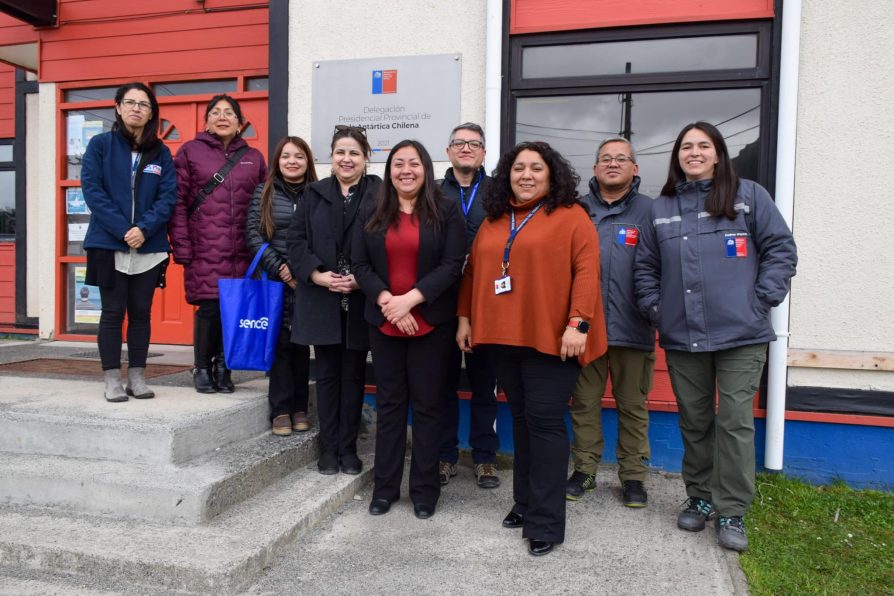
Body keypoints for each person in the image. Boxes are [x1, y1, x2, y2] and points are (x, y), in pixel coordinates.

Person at [634, 121, 797, 552]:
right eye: (686, 147)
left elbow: (781, 250)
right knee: (695, 421)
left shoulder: (749, 196)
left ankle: (732, 510)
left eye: (703, 145)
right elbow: (645, 268)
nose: (694, 153)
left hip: (742, 333)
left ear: (718, 153)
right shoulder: (662, 206)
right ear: (677, 157)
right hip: (683, 335)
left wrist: (761, 299)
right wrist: (657, 308)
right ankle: (701, 498)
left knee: (736, 423)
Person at [457, 141, 608, 556]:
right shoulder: (493, 220)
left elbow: (587, 272)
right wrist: (466, 318)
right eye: (518, 168)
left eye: (535, 168)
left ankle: (545, 522)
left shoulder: (572, 216)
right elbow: (473, 272)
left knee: (544, 425)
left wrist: (579, 323)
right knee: (522, 421)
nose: (526, 175)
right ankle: (524, 503)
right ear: (507, 174)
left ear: (552, 174)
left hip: (554, 340)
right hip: (504, 337)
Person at [353, 140, 466, 519]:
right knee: (390, 407)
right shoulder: (372, 208)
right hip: (384, 324)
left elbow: (452, 265)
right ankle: (384, 489)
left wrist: (411, 301)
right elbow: (360, 264)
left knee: (429, 407)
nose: (406, 170)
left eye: (413, 163)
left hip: (430, 324)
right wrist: (390, 302)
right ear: (389, 170)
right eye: (398, 163)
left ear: (425, 168)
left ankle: (424, 492)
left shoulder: (446, 209)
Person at [566, 137, 656, 507]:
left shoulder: (651, 211)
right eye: (606, 159)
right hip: (585, 329)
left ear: (635, 168)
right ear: (595, 168)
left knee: (632, 406)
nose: (613, 164)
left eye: (621, 159)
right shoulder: (576, 210)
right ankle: (585, 470)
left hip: (633, 328)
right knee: (584, 403)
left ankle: (633, 477)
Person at [288, 126, 380, 475]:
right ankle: (328, 448)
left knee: (354, 375)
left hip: (360, 298)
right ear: (332, 156)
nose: (347, 159)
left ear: (366, 157)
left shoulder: (379, 193)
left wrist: (363, 279)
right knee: (327, 376)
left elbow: (388, 241)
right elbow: (295, 241)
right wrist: (315, 274)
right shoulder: (314, 194)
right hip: (322, 297)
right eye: (341, 152)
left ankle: (348, 447)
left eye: (354, 152)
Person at [81, 82, 177, 402]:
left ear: (152, 113)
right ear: (118, 107)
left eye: (144, 104)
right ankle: (111, 379)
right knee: (112, 313)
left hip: (148, 247)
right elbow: (93, 192)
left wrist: (144, 229)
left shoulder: (160, 152)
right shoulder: (100, 145)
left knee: (140, 313)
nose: (137, 108)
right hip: (109, 244)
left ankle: (137, 376)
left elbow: (168, 197)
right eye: (130, 102)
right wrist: (125, 229)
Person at [170, 95, 267, 394]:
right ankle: (202, 368)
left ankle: (225, 367)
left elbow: (265, 206)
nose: (222, 117)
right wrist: (182, 247)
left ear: (240, 123)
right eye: (216, 113)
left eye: (229, 113)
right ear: (206, 120)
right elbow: (177, 204)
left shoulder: (254, 157)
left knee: (237, 311)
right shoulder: (189, 152)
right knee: (210, 309)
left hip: (244, 250)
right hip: (205, 248)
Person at [437, 123, 500, 489]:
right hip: (440, 300)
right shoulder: (432, 191)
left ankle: (485, 458)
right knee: (441, 383)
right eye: (458, 143)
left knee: (484, 383)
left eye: (473, 144)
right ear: (448, 151)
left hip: (486, 301)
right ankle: (445, 456)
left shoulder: (497, 193)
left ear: (483, 153)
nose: (465, 149)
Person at [246, 136, 318, 436]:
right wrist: (281, 268)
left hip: (309, 282)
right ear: (277, 161)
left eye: (299, 156)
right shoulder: (263, 192)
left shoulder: (319, 193)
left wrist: (307, 271)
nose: (292, 161)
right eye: (286, 156)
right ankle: (280, 410)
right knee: (280, 346)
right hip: (275, 282)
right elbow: (254, 235)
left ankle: (300, 408)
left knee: (302, 346)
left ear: (307, 161)